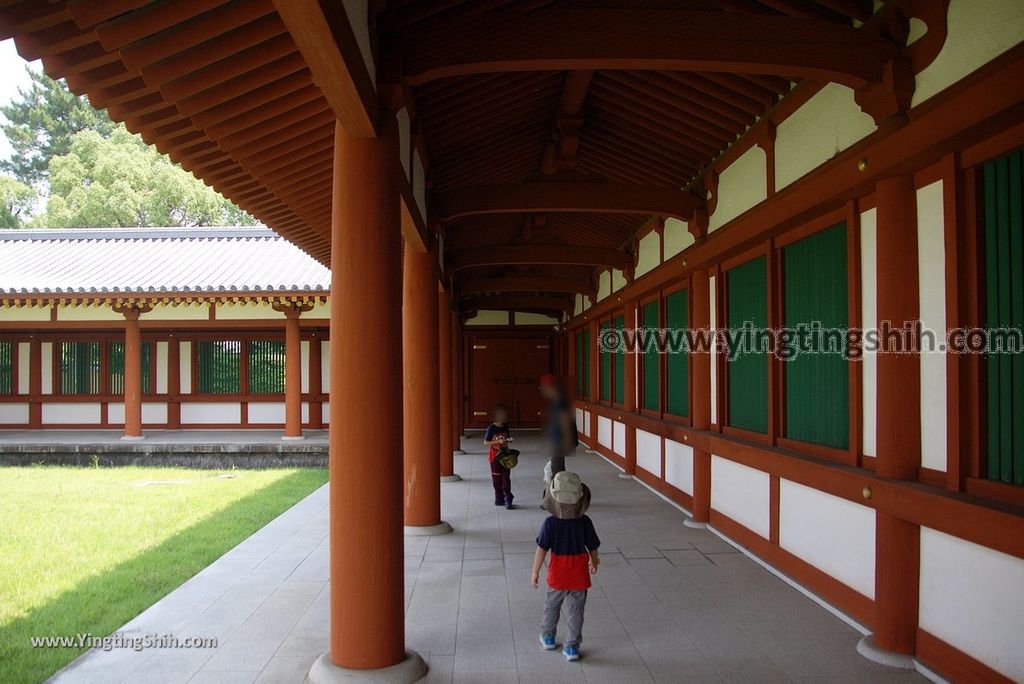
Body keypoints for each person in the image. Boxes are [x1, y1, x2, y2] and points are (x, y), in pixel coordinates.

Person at [532, 471, 599, 662]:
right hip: (579, 576)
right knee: (576, 612)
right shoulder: (585, 522)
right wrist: (594, 562)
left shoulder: (550, 523)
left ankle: (548, 637)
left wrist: (535, 571)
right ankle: (572, 648)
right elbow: (593, 547)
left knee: (551, 607)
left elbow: (541, 550)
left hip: (557, 575)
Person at [539, 374, 577, 478]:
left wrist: (567, 439)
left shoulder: (560, 402)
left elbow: (565, 421)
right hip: (556, 439)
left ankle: (559, 488)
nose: (544, 391)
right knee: (556, 465)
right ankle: (558, 486)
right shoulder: (556, 401)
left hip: (559, 440)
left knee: (557, 468)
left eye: (545, 388)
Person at [484, 403, 514, 509]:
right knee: (497, 479)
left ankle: (508, 498)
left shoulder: (505, 427)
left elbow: (507, 439)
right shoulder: (491, 428)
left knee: (506, 478)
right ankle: (499, 498)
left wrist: (506, 442)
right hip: (495, 458)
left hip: (505, 457)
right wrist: (497, 441)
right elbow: (486, 442)